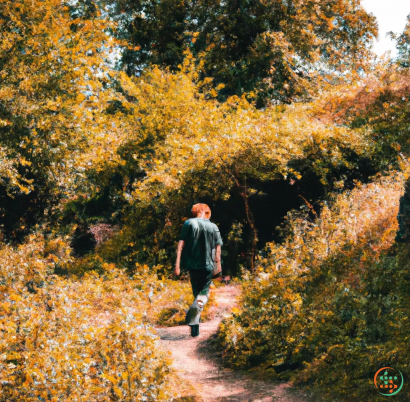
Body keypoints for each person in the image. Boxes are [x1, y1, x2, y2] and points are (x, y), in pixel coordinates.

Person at [174, 203, 223, 337]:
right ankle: (193, 314)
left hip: (192, 264)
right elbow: (218, 249)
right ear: (206, 212)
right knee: (204, 293)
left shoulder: (188, 223)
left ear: (195, 211)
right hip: (208, 265)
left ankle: (194, 328)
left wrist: (177, 264)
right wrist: (218, 267)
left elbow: (181, 244)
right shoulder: (213, 226)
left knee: (196, 293)